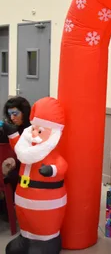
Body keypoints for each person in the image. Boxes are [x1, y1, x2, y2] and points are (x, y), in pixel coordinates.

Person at [3, 97, 67, 254]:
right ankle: (25, 237)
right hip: (23, 196)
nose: (34, 134)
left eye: (39, 131)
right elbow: (20, 150)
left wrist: (51, 170)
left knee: (42, 225)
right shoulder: (28, 147)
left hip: (46, 200)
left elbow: (61, 166)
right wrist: (12, 135)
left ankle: (47, 242)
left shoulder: (51, 153)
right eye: (33, 129)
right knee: (26, 222)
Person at [0, 97, 31, 192]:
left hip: (26, 173)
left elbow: (25, 154)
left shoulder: (32, 130)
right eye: (9, 114)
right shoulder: (11, 127)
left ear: (24, 113)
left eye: (15, 114)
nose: (12, 118)